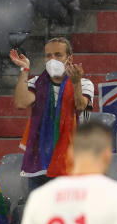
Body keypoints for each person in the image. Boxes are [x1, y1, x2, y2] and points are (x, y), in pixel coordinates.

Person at [9, 37, 95, 191]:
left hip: (72, 160)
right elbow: (21, 103)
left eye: (58, 55)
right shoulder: (36, 83)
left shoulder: (84, 84)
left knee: (68, 213)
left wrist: (75, 84)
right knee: (41, 213)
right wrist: (24, 70)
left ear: (70, 58)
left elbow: (81, 106)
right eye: (48, 56)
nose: (52, 59)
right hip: (40, 159)